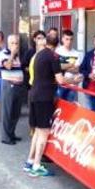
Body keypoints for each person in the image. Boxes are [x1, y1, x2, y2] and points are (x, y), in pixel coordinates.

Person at [25, 30, 65, 177]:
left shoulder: (38, 55)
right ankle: (36, 165)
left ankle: (30, 161)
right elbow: (60, 80)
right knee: (44, 132)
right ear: (57, 44)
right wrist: (74, 80)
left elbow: (43, 75)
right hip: (44, 98)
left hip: (34, 95)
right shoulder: (53, 56)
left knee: (36, 131)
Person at [0, 34, 27, 145]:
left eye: (17, 43)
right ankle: (5, 137)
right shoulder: (3, 54)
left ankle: (12, 133)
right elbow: (8, 66)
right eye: (13, 43)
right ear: (8, 43)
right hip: (9, 86)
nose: (15, 45)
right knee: (8, 112)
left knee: (16, 112)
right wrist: (12, 54)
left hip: (18, 86)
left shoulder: (18, 56)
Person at [55, 29, 83, 102]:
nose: (69, 41)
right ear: (62, 39)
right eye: (67, 39)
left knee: (69, 108)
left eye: (71, 39)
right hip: (60, 84)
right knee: (58, 107)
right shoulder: (58, 51)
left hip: (72, 85)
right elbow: (56, 68)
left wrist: (62, 67)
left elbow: (77, 70)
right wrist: (71, 65)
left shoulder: (76, 53)